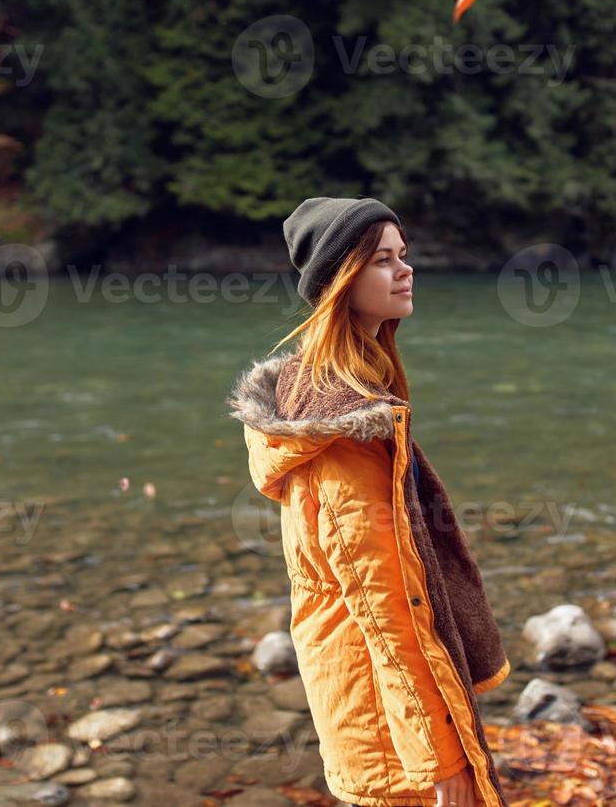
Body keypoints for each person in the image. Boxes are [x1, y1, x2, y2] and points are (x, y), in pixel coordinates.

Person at [227, 196, 512, 807]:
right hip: (389, 736)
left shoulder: (337, 391)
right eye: (383, 260)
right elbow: (384, 600)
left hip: (373, 709)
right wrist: (442, 757)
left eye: (403, 255)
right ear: (340, 280)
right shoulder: (340, 423)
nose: (406, 270)